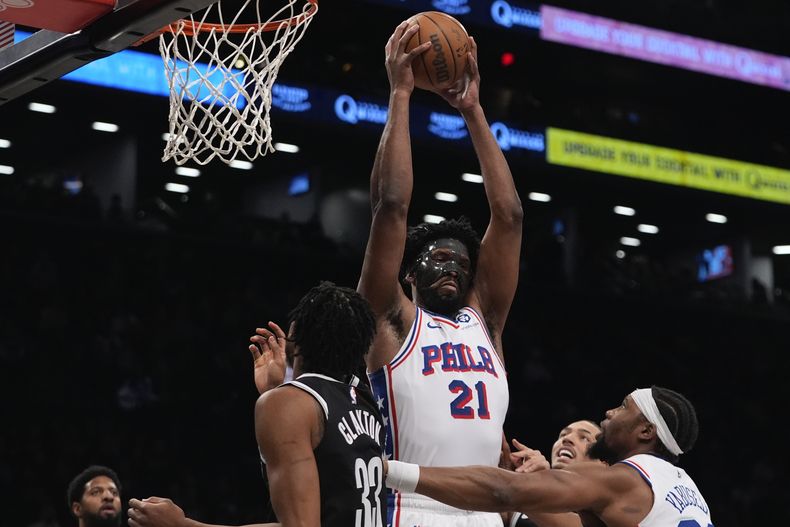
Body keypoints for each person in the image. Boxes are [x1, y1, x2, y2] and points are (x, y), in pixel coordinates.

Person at [358, 20, 523, 527]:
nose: (453, 266)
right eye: (439, 258)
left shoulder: (485, 325)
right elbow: (391, 205)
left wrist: (472, 110)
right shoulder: (392, 319)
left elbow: (510, 216)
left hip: (486, 512)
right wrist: (401, 95)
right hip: (409, 509)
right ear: (409, 273)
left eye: (463, 263)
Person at [128, 282, 385, 527]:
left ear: (295, 333)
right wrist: (276, 389)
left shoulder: (288, 403)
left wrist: (183, 525)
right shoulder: (365, 402)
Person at [386, 386, 713, 527]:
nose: (610, 412)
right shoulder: (688, 490)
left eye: (624, 406)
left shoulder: (625, 480)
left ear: (646, 431)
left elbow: (505, 491)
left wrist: (389, 470)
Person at [507, 420, 602, 527]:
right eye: (563, 435)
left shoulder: (609, 507)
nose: (567, 439)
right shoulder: (520, 501)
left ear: (604, 462)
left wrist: (528, 484)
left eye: (584, 438)